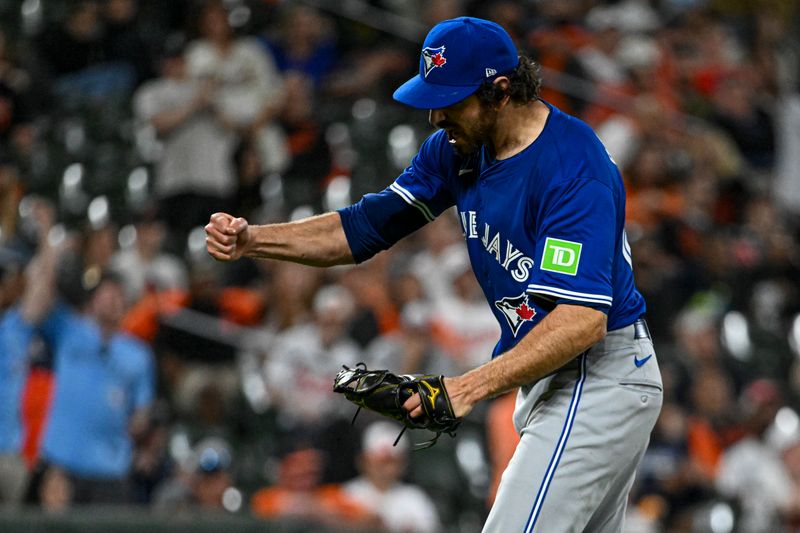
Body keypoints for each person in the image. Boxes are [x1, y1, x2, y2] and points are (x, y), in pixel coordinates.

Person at [206, 17, 663, 531]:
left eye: (451, 100)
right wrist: (254, 240)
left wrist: (465, 388)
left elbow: (582, 320)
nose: (436, 115)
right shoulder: (458, 150)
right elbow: (360, 229)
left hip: (596, 375)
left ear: (500, 91)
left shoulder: (570, 166)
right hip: (557, 381)